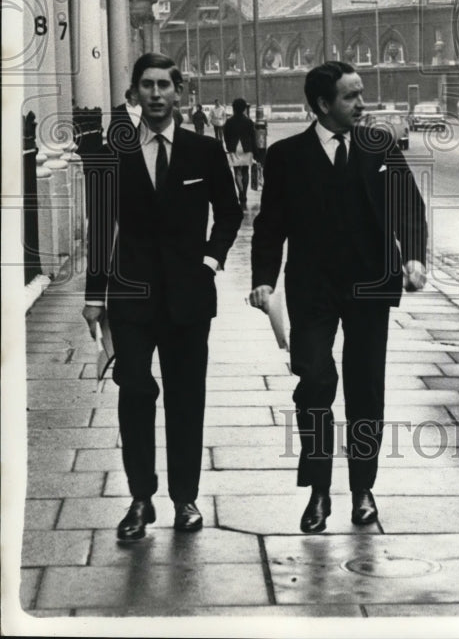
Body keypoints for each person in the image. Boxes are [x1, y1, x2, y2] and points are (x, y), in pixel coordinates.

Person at [250, 61, 428, 533]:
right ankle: (318, 490)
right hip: (313, 289)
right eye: (351, 96)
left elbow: (408, 204)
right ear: (323, 104)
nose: (361, 103)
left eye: (361, 93)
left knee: (365, 388)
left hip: (370, 285)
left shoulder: (378, 145)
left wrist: (414, 257)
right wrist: (263, 278)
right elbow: (270, 224)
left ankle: (363, 488)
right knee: (315, 382)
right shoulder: (287, 156)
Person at [83, 53, 243, 542]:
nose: (155, 94)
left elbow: (231, 213)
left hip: (189, 298)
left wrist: (210, 261)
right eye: (146, 86)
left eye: (164, 86)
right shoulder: (116, 150)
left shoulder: (203, 150)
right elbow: (101, 222)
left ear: (180, 93)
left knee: (186, 397)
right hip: (130, 296)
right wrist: (95, 294)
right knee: (134, 391)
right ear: (134, 93)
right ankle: (140, 498)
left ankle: (185, 499)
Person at [223, 98, 257, 209]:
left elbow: (226, 136)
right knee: (245, 171)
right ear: (243, 108)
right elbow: (253, 136)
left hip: (234, 148)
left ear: (233, 108)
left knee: (237, 171)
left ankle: (240, 191)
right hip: (246, 148)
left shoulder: (229, 121)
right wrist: (254, 150)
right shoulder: (248, 121)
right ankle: (244, 193)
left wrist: (229, 147)